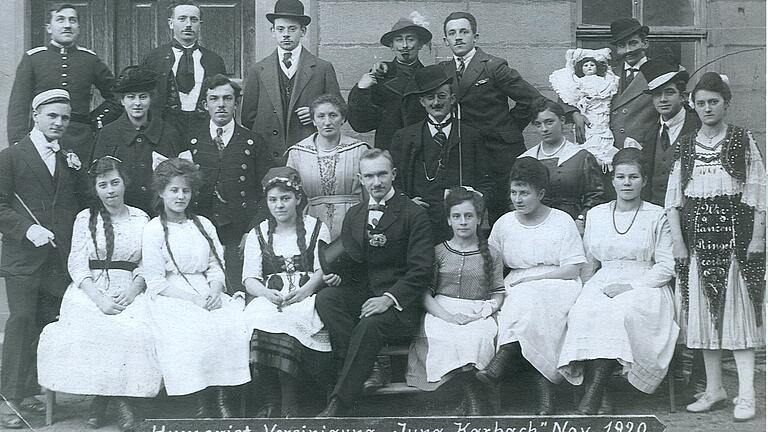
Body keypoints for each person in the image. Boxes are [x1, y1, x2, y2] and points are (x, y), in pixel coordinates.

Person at [666, 72, 765, 422]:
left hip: (737, 241)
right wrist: (678, 243)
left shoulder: (742, 139)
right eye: (701, 102)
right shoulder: (685, 144)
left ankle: (747, 394)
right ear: (693, 105)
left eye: (714, 102)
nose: (707, 108)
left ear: (726, 103)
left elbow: (757, 192)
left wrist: (758, 237)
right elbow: (674, 199)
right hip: (698, 245)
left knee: (739, 317)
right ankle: (714, 390)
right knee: (705, 319)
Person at [37, 156, 162, 431]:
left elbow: (147, 263)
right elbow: (77, 263)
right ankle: (100, 399)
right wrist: (99, 299)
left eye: (115, 182)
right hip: (90, 290)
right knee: (98, 328)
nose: (110, 190)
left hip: (130, 288)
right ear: (95, 189)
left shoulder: (141, 218)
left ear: (124, 183)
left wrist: (133, 290)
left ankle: (124, 400)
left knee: (136, 331)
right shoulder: (86, 218)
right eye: (103, 185)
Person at [558, 148, 677, 415]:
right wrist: (585, 289)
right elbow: (590, 261)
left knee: (619, 313)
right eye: (621, 177)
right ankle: (602, 393)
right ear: (612, 180)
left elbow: (666, 266)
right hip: (604, 277)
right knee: (583, 312)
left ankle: (596, 392)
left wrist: (632, 287)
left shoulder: (657, 215)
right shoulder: (598, 214)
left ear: (644, 181)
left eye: (633, 177)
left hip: (647, 283)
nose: (626, 183)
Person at [315, 148, 433, 417]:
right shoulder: (355, 215)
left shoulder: (413, 213)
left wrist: (388, 299)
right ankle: (372, 366)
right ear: (360, 179)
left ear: (393, 174)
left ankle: (339, 402)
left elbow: (421, 271)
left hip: (401, 303)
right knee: (326, 299)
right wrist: (339, 276)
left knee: (369, 323)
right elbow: (354, 265)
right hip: (366, 294)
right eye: (369, 176)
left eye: (382, 174)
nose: (376, 182)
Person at [439, 11, 585, 224]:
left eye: (464, 32)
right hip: (467, 151)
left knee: (505, 209)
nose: (458, 37)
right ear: (446, 40)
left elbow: (531, 99)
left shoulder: (492, 66)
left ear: (475, 37)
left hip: (500, 152)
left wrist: (507, 127)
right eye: (452, 33)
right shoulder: (443, 70)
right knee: (467, 211)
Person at [0, 90, 86, 429]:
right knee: (21, 321)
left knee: (43, 325)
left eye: (65, 118)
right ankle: (9, 399)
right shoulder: (11, 157)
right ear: (35, 115)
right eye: (52, 116)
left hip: (57, 258)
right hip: (23, 258)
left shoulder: (67, 157)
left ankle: (30, 393)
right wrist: (26, 230)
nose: (59, 123)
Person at [476, 158, 586, 415]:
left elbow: (573, 268)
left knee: (531, 303)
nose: (518, 199)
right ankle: (544, 391)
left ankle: (501, 364)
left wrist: (533, 280)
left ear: (541, 193)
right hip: (517, 282)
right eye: (514, 192)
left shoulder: (561, 220)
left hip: (559, 282)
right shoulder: (504, 223)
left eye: (525, 193)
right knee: (520, 305)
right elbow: (491, 263)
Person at [142, 158, 250, 417]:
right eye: (174, 190)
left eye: (186, 190)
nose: (180, 196)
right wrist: (192, 300)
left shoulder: (203, 224)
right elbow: (156, 281)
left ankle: (222, 395)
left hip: (206, 288)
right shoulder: (154, 229)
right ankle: (199, 399)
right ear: (161, 192)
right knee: (192, 328)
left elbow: (215, 264)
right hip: (170, 293)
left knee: (230, 322)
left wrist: (215, 289)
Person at [242, 167, 332, 417]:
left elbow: (322, 270)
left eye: (285, 198)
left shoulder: (317, 228)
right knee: (259, 317)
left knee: (292, 320)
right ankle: (270, 400)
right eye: (273, 200)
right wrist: (265, 294)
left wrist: (304, 292)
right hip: (272, 296)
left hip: (306, 294)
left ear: (298, 198)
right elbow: (249, 278)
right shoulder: (258, 233)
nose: (279, 205)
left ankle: (289, 402)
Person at [405, 187, 504, 415]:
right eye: (457, 216)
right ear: (449, 220)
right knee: (444, 335)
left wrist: (484, 312)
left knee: (479, 335)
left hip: (478, 309)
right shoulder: (438, 252)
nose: (463, 222)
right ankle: (472, 397)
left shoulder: (492, 253)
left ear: (479, 219)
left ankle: (470, 397)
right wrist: (448, 317)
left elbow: (498, 291)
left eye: (469, 216)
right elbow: (425, 294)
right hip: (441, 309)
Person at [391, 64, 493, 243]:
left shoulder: (470, 135)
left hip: (459, 226)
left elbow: (487, 183)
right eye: (430, 97)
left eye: (441, 96)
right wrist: (407, 204)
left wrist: (475, 203)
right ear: (422, 102)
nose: (436, 103)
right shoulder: (405, 137)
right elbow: (394, 181)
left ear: (452, 99)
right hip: (419, 223)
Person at [7, 3, 118, 162]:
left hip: (81, 141)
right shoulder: (33, 59)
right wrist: (18, 142)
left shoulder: (89, 59)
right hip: (41, 140)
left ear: (78, 27)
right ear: (49, 27)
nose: (67, 25)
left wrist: (94, 120)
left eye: (72, 21)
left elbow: (117, 95)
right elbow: (18, 106)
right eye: (60, 20)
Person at [187, 74, 268, 294]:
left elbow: (265, 193)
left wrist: (252, 232)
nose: (221, 104)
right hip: (200, 228)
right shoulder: (191, 140)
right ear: (205, 105)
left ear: (236, 103)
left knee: (237, 289)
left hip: (240, 230)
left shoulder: (253, 142)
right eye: (214, 99)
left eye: (227, 98)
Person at [241, 0, 342, 168]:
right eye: (280, 29)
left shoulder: (322, 68)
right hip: (268, 155)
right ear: (272, 31)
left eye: (292, 29)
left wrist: (316, 114)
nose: (286, 34)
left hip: (309, 152)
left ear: (303, 31)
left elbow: (339, 110)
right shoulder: (258, 70)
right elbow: (248, 117)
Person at [92, 66, 187, 215]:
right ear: (122, 100)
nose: (137, 103)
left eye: (143, 96)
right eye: (131, 97)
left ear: (150, 99)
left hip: (160, 214)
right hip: (121, 215)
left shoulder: (168, 133)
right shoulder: (108, 134)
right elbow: (98, 180)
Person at [286, 94, 370, 239]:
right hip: (313, 223)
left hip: (354, 222)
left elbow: (370, 194)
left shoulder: (359, 150)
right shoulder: (297, 153)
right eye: (321, 116)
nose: (327, 122)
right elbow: (290, 195)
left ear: (343, 118)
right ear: (313, 120)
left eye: (333, 115)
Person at [142, 0, 227, 137]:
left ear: (200, 25)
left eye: (194, 20)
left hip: (204, 131)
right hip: (164, 131)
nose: (188, 25)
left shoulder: (214, 61)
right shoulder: (154, 58)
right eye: (182, 19)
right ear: (171, 23)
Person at [517, 99, 604, 233]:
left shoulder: (581, 156)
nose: (544, 129)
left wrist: (581, 219)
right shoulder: (525, 159)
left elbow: (596, 195)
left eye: (549, 122)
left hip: (572, 225)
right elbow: (515, 197)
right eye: (538, 124)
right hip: (534, 226)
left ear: (562, 120)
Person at [346, 13, 431, 150]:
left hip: (421, 151)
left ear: (420, 44)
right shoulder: (380, 76)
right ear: (392, 46)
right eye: (399, 40)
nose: (405, 46)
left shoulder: (428, 77)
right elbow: (360, 125)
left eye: (410, 39)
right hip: (389, 150)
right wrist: (361, 89)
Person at [639, 62, 700, 206]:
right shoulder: (650, 132)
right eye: (657, 94)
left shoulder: (698, 128)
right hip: (655, 213)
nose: (663, 99)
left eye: (669, 92)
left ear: (683, 97)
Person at [549, 48, 620, 169]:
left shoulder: (606, 81)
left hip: (604, 114)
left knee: (603, 136)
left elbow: (610, 87)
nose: (589, 67)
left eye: (592, 65)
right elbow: (570, 96)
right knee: (589, 137)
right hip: (588, 114)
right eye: (585, 65)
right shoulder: (579, 82)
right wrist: (577, 112)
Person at [608, 17, 659, 150]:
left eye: (633, 43)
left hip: (645, 151)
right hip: (609, 152)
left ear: (645, 43)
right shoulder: (608, 74)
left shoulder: (660, 72)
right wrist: (575, 114)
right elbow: (571, 93)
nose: (628, 50)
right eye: (621, 45)